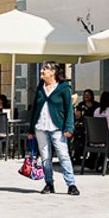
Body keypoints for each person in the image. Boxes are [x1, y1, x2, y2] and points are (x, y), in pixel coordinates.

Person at [29, 62, 80, 195]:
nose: (42, 71)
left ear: (53, 72)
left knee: (63, 155)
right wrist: (30, 129)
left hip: (57, 127)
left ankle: (71, 184)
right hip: (40, 126)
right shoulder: (40, 87)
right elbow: (35, 108)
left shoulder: (64, 88)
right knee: (45, 157)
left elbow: (69, 109)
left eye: (45, 69)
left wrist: (69, 127)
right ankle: (49, 183)